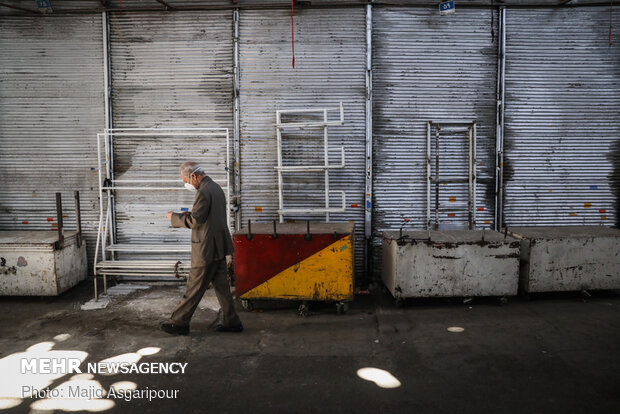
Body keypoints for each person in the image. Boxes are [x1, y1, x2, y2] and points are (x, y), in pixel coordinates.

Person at [160, 161, 242, 335]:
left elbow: (196, 221)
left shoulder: (203, 192)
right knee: (222, 288)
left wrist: (173, 217)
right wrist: (189, 214)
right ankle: (232, 321)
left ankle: (179, 323)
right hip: (218, 246)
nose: (187, 185)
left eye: (187, 181)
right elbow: (207, 215)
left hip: (206, 248)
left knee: (194, 286)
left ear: (194, 176)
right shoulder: (215, 188)